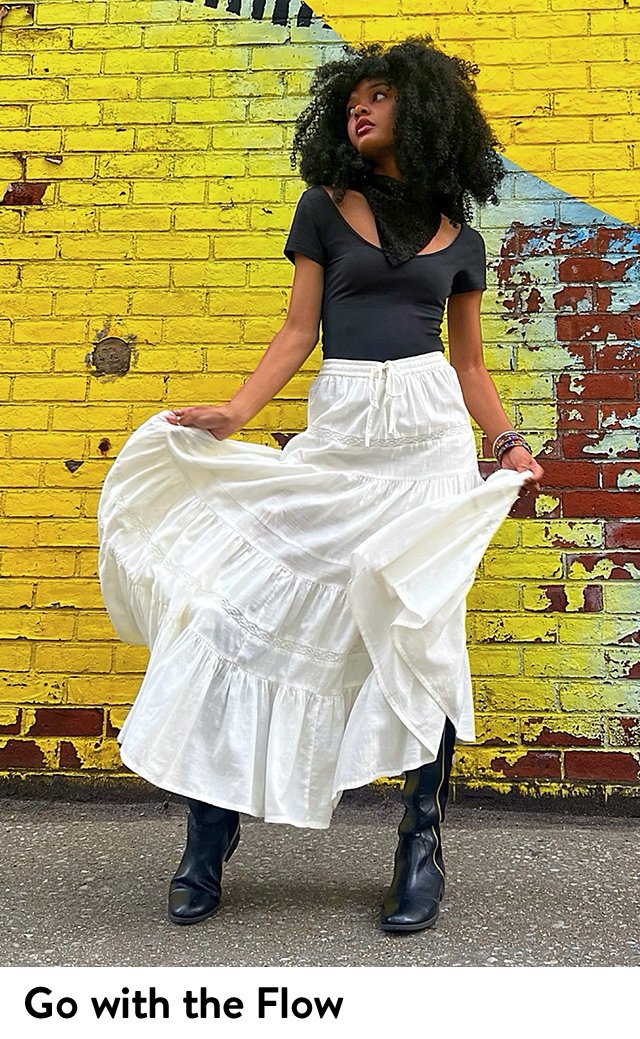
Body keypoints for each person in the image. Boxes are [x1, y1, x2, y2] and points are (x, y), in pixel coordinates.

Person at [97, 35, 544, 934]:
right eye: (354, 98)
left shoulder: (466, 242)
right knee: (235, 610)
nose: (360, 108)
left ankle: (420, 842)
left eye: (380, 97)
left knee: (419, 632)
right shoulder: (323, 209)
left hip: (425, 444)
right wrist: (234, 410)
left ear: (422, 116)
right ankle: (208, 832)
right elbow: (298, 331)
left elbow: (469, 366)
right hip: (341, 434)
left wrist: (506, 442)